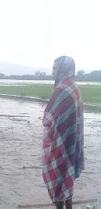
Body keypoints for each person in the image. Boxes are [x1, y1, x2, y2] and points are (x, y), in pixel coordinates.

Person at [42, 56, 84, 209]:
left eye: (55, 68)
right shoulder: (74, 87)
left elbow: (48, 118)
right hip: (71, 142)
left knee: (58, 179)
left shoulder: (61, 89)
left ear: (63, 69)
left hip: (60, 143)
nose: (53, 72)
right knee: (67, 179)